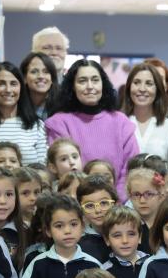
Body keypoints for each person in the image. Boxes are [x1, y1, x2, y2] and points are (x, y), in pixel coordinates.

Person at [45, 59, 139, 193]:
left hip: (117, 205)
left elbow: (131, 168)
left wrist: (114, 200)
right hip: (75, 202)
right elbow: (63, 170)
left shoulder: (121, 121)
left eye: (95, 80)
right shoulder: (59, 123)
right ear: (72, 86)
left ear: (103, 84)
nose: (90, 86)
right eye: (82, 81)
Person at [122, 62, 168, 165]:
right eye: (136, 82)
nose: (142, 89)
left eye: (149, 84)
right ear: (129, 87)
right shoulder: (119, 125)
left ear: (158, 89)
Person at [19, 51, 59, 119]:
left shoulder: (62, 105)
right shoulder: (16, 105)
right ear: (24, 78)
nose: (41, 76)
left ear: (52, 78)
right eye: (34, 72)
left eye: (46, 72)